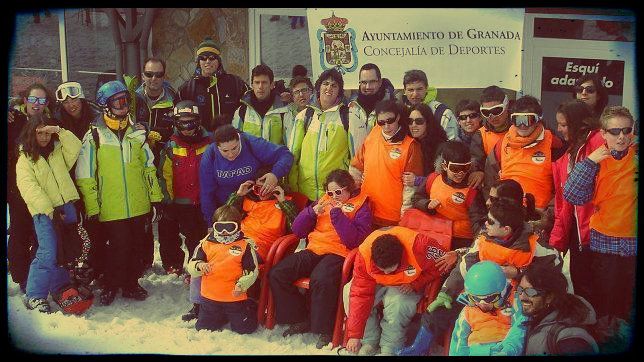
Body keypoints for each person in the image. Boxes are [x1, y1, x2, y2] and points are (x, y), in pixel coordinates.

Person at [398, 201, 564, 356]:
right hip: (477, 294)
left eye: (491, 222)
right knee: (438, 311)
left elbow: (554, 267)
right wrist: (446, 292)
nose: (486, 224)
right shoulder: (483, 240)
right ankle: (418, 348)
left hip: (513, 296)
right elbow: (463, 266)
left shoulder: (534, 246)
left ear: (506, 229)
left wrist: (519, 272)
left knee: (519, 325)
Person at [75, 80, 163, 306]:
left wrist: (155, 199)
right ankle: (111, 284)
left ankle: (131, 284)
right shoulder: (95, 136)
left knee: (136, 246)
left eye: (126, 101)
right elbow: (85, 175)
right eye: (118, 102)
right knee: (116, 248)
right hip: (111, 205)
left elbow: (149, 168)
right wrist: (93, 207)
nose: (123, 106)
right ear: (105, 105)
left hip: (138, 203)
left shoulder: (137, 133)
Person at [269, 169, 372, 349]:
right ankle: (299, 318)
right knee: (278, 273)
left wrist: (338, 216)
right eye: (330, 192)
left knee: (322, 280)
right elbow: (298, 231)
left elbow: (355, 241)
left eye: (338, 192)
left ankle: (324, 328)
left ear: (349, 189)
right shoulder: (324, 201)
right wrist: (310, 212)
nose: (334, 196)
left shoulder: (361, 206)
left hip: (340, 253)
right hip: (315, 248)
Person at [563, 106, 637, 323]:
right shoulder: (595, 161)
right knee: (606, 299)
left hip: (633, 241)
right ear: (603, 133)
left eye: (626, 130)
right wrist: (590, 162)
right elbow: (573, 195)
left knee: (628, 302)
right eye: (614, 131)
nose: (621, 136)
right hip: (606, 241)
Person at [15, 114, 84, 313]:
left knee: (64, 252)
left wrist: (59, 131)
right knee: (48, 252)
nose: (44, 137)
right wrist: (49, 210)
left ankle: (60, 287)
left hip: (66, 207)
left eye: (47, 132)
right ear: (31, 133)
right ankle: (34, 295)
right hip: (45, 213)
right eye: (39, 133)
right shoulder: (25, 159)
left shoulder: (57, 152)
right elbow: (29, 188)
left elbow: (76, 146)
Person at [343, 226, 445, 355]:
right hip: (376, 282)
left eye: (390, 269)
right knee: (348, 292)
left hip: (407, 284)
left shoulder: (421, 246)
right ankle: (369, 341)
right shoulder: (364, 256)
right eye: (382, 269)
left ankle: (390, 348)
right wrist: (355, 334)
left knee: (398, 303)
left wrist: (415, 283)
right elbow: (360, 294)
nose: (386, 273)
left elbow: (442, 264)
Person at [549, 99, 602, 304]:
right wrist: (556, 243)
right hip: (578, 236)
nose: (560, 129)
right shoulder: (566, 156)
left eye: (564, 124)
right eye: (558, 124)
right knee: (581, 287)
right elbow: (563, 206)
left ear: (579, 123)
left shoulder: (597, 141)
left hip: (597, 233)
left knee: (600, 291)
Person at [157, 100, 212, 275]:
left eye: (191, 123)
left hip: (200, 200)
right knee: (169, 234)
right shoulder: (171, 146)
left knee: (197, 237)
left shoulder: (209, 143)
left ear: (198, 122)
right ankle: (173, 263)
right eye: (182, 123)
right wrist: (168, 200)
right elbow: (165, 175)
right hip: (179, 201)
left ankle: (194, 267)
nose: (187, 128)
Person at [199, 124, 293, 227]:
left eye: (234, 148)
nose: (230, 154)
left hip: (254, 205)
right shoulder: (210, 155)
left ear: (239, 139)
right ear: (217, 147)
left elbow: (285, 155)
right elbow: (206, 193)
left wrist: (275, 174)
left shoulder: (251, 143)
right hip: (226, 207)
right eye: (225, 151)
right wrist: (211, 224)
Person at [288, 69, 360, 201]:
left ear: (339, 90)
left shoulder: (349, 117)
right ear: (318, 87)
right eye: (325, 83)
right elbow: (293, 155)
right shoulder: (304, 116)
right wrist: (293, 188)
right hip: (305, 195)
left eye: (334, 85)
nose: (329, 88)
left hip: (336, 195)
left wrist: (352, 191)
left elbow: (358, 159)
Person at [350, 100, 423, 227]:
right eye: (381, 122)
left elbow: (411, 188)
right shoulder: (374, 133)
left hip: (391, 217)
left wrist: (405, 215)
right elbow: (356, 166)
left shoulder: (410, 146)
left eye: (390, 121)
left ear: (398, 117)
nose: (386, 126)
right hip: (365, 210)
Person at [187, 205, 259, 334]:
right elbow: (191, 265)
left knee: (244, 329)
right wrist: (199, 265)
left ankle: (250, 307)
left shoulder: (245, 245)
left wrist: (242, 284)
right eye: (220, 227)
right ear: (214, 226)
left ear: (238, 226)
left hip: (234, 298)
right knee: (203, 329)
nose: (224, 231)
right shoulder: (206, 243)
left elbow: (252, 270)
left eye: (229, 227)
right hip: (210, 299)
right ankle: (220, 316)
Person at [484, 95, 565, 210]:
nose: (522, 125)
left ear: (538, 119)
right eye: (517, 120)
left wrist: (549, 213)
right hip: (506, 211)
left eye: (528, 120)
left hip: (538, 213)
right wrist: (493, 207)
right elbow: (489, 180)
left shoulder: (553, 144)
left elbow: (562, 187)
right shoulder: (502, 143)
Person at [7, 83, 52, 293]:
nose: (37, 104)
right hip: (17, 187)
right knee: (20, 231)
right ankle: (21, 276)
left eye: (41, 100)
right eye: (33, 99)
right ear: (25, 100)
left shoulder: (49, 122)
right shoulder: (13, 120)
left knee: (40, 233)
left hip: (42, 187)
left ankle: (37, 274)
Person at [412, 141, 487, 250]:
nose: (460, 173)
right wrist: (427, 204)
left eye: (465, 168)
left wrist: (476, 247)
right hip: (434, 234)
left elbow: (478, 222)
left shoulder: (472, 191)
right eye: (455, 168)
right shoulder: (433, 179)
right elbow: (416, 198)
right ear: (445, 166)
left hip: (461, 240)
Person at [448, 261, 527, 356]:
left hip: (504, 347)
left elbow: (520, 328)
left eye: (489, 298)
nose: (482, 303)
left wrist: (507, 351)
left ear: (502, 292)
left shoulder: (514, 302)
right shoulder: (468, 311)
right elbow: (459, 341)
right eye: (476, 298)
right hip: (476, 351)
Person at [520, 262, 598, 355]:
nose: (522, 297)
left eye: (530, 291)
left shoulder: (570, 341)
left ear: (549, 297)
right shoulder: (537, 316)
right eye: (520, 289)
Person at [179, 37, 249, 132]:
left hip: (229, 140)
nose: (207, 61)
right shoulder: (188, 88)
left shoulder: (235, 83)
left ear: (219, 60)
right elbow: (176, 115)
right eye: (203, 58)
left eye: (212, 58)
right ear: (199, 62)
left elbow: (251, 102)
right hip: (201, 142)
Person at [135, 57, 179, 165]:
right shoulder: (132, 100)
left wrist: (149, 130)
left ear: (164, 77)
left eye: (158, 75)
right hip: (138, 159)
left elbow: (177, 133)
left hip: (164, 161)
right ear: (143, 76)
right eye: (149, 74)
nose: (154, 78)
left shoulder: (174, 100)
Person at [232, 64, 289, 145]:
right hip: (250, 157)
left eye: (264, 82)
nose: (260, 86)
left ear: (272, 85)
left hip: (274, 157)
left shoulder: (283, 110)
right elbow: (235, 142)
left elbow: (289, 145)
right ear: (252, 85)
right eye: (257, 82)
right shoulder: (242, 110)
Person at [468, 86, 512, 190]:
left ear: (507, 105)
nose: (492, 116)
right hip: (494, 187)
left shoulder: (521, 127)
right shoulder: (480, 134)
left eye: (497, 110)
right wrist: (478, 171)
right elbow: (476, 160)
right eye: (486, 112)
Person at [398, 69, 459, 141]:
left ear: (426, 88)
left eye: (419, 89)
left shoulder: (443, 113)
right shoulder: (399, 112)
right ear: (404, 90)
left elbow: (452, 146)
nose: (415, 94)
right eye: (410, 90)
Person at [401, 102, 448, 189]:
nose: (413, 125)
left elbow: (444, 180)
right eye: (410, 121)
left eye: (419, 121)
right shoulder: (408, 142)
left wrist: (418, 180)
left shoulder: (441, 147)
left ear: (428, 122)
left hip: (432, 197)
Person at [347, 63, 396, 136]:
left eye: (372, 82)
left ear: (380, 83)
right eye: (364, 82)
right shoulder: (351, 107)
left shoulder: (393, 108)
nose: (368, 87)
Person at [283, 75, 313, 150]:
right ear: (292, 96)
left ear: (311, 92)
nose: (301, 95)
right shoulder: (286, 115)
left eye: (304, 90)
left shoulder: (318, 113)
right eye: (296, 92)